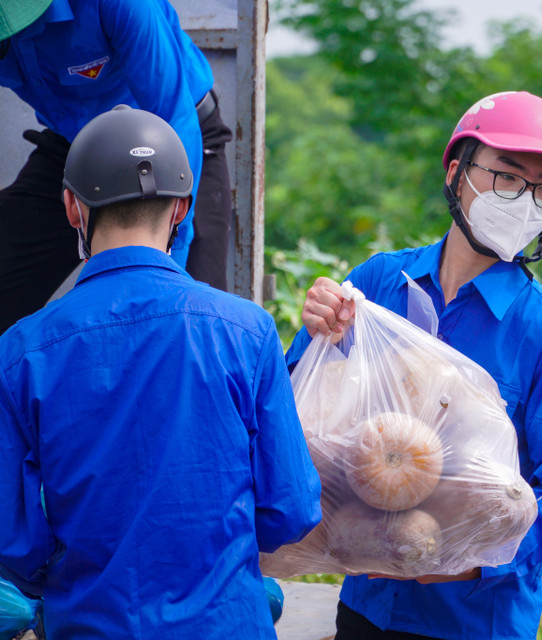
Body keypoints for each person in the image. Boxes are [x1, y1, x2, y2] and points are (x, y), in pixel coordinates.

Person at [0, 106, 322, 638]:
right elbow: (289, 509)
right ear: (182, 209)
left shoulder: (21, 351)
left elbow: (16, 544)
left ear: (72, 208)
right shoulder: (247, 331)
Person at [286, 90, 542, 640]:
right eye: (507, 175)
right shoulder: (379, 284)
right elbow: (305, 404)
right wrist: (315, 329)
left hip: (473, 619)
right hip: (366, 605)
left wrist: (469, 559)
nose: (524, 199)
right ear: (457, 173)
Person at [0, 0, 234, 335]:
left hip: (170, 145)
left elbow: (175, 116)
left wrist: (168, 263)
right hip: (76, 145)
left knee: (191, 324)